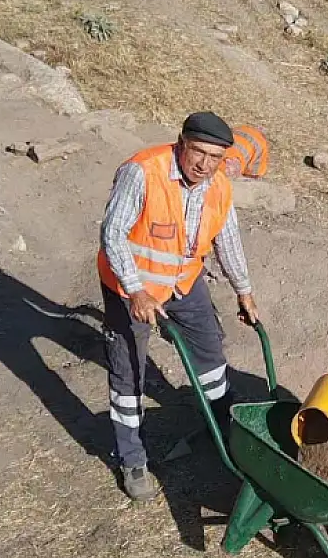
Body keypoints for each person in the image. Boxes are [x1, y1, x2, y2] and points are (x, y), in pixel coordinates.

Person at [97, 111, 269, 501]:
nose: (205, 165)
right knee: (129, 374)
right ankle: (132, 457)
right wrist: (136, 290)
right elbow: (113, 233)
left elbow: (227, 239)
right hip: (131, 286)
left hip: (183, 280)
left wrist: (243, 291)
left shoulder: (218, 185)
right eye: (199, 153)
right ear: (181, 143)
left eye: (215, 158)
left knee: (210, 355)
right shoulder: (143, 172)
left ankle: (222, 424)